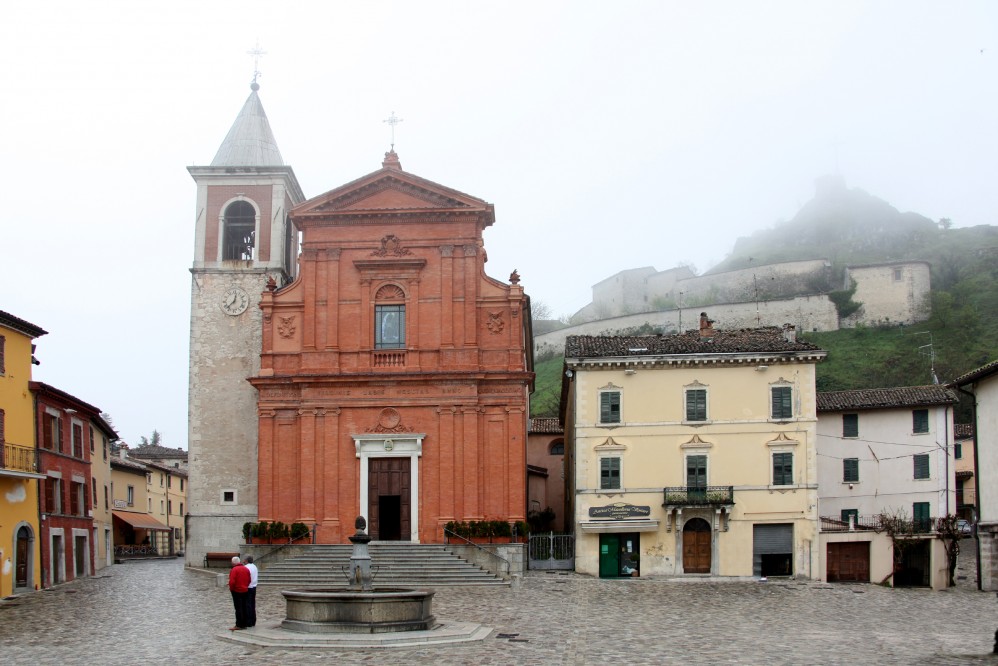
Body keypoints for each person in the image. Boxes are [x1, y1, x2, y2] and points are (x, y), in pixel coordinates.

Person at [228, 556, 250, 630]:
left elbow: (232, 582)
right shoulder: (246, 569)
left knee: (238, 608)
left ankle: (239, 624)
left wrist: (231, 589)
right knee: (244, 607)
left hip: (237, 591)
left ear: (233, 562)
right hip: (245, 590)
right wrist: (246, 586)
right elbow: (249, 579)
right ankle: (244, 623)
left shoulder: (234, 570)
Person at [243, 555, 259, 628]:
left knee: (248, 604)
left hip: (248, 587)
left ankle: (248, 621)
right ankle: (253, 620)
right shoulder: (254, 566)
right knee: (252, 604)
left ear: (246, 560)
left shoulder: (246, 567)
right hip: (254, 586)